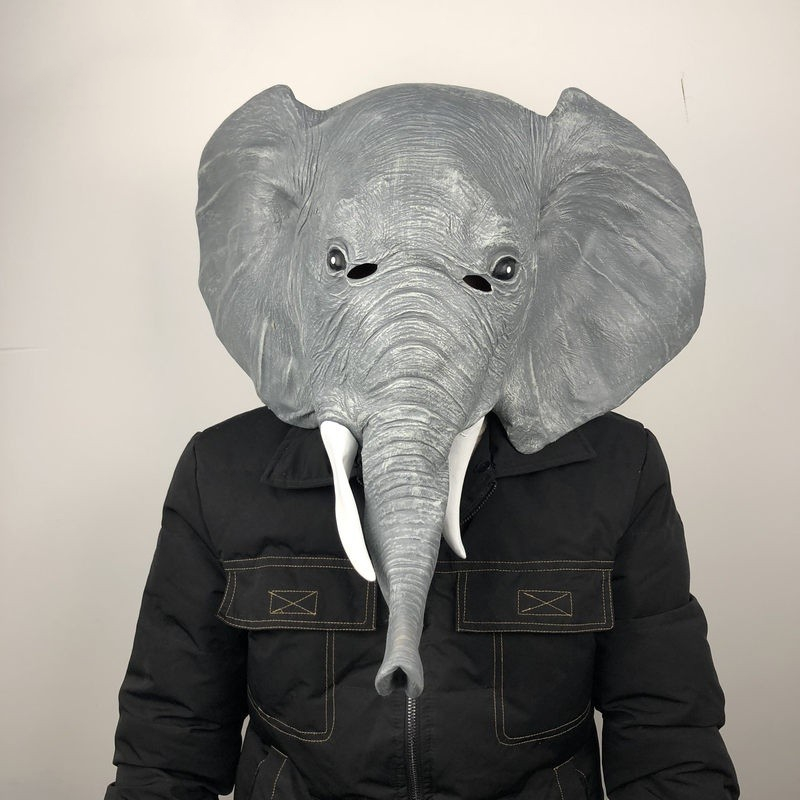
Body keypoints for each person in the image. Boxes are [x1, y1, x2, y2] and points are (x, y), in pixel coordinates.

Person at [105, 83, 739, 799]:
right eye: (347, 264)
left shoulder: (616, 473)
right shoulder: (221, 475)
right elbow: (167, 750)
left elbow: (668, 739)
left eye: (494, 273)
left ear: (563, 278)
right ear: (280, 256)